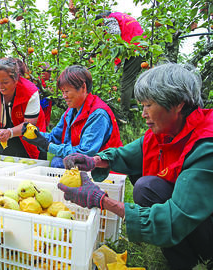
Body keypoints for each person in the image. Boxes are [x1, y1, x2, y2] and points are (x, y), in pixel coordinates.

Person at [59, 63, 213, 270]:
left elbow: (176, 219)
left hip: (201, 224)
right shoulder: (166, 132)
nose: (143, 113)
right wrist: (93, 160)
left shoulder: (206, 146)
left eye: (149, 105)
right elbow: (128, 154)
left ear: (178, 104)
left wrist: (102, 201)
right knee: (147, 187)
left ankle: (202, 259)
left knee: (148, 187)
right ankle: (183, 262)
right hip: (193, 219)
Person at [22, 65, 122, 168]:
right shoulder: (71, 111)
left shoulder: (98, 114)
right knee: (58, 161)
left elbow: (85, 154)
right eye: (62, 92)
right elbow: (55, 137)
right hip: (84, 165)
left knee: (59, 162)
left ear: (83, 87)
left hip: (103, 171)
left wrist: (47, 146)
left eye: (67, 91)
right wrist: (37, 135)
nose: (64, 96)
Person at [0, 57, 47, 159]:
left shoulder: (30, 92)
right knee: (7, 164)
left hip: (30, 135)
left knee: (33, 164)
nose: (0, 86)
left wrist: (10, 132)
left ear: (16, 80)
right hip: (5, 132)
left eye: (5, 82)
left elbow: (29, 124)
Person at [94, 11, 145, 123]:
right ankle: (133, 104)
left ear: (102, 19)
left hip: (134, 48)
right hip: (140, 45)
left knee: (125, 83)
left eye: (101, 25)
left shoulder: (109, 19)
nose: (102, 28)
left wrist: (115, 59)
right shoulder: (120, 15)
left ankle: (124, 114)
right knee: (131, 78)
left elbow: (115, 37)